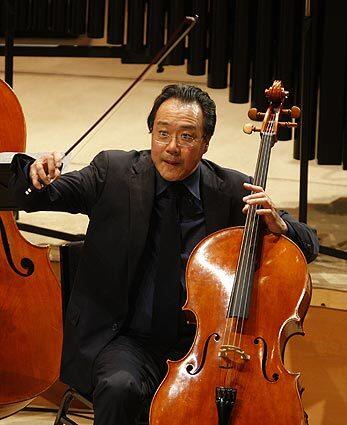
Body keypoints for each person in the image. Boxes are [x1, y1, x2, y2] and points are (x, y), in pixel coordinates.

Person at [9, 84, 319, 425]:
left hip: (203, 345)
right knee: (119, 385)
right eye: (162, 133)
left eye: (187, 137)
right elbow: (41, 196)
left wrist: (280, 225)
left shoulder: (231, 190)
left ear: (205, 143)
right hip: (126, 339)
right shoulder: (112, 172)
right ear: (151, 134)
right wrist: (34, 174)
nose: (172, 147)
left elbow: (308, 243)